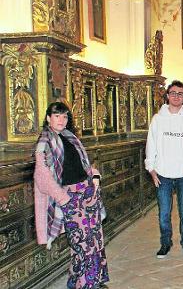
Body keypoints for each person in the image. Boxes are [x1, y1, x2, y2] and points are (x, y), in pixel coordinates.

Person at [34, 102, 109, 288]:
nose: (61, 120)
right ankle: (84, 284)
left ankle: (93, 280)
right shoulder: (44, 142)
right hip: (69, 197)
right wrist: (64, 199)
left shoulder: (70, 137)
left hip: (87, 191)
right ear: (48, 118)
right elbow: (42, 176)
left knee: (96, 238)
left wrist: (95, 176)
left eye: (65, 116)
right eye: (57, 115)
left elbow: (83, 167)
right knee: (82, 242)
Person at [145, 80, 183, 258]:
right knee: (164, 213)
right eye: (173, 93)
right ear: (167, 95)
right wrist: (152, 170)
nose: (176, 96)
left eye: (180, 94)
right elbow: (151, 146)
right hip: (162, 174)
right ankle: (165, 243)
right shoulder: (158, 119)